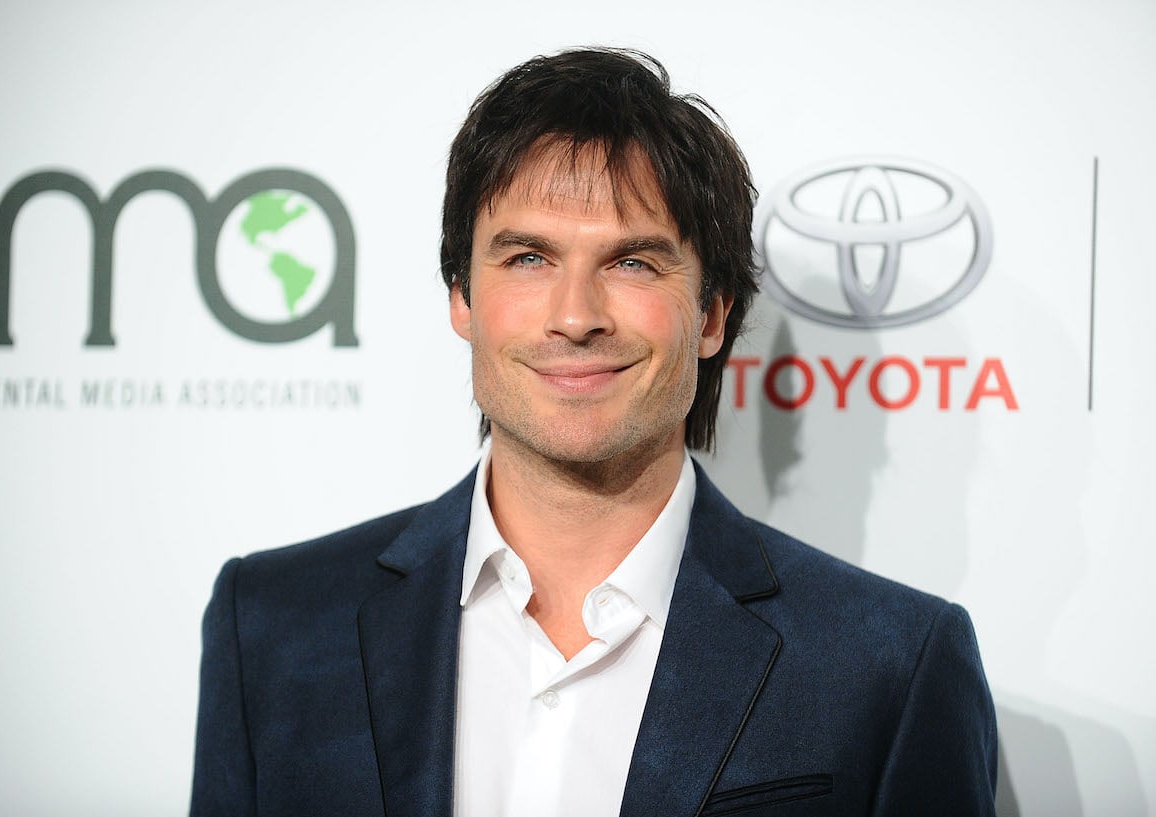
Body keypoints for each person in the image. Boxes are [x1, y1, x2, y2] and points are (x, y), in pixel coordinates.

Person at [190, 48, 997, 817]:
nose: (576, 316)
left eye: (633, 262)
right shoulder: (273, 628)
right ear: (461, 297)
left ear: (712, 314)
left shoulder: (889, 666)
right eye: (528, 258)